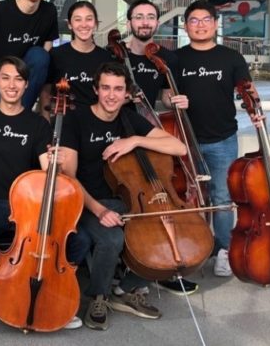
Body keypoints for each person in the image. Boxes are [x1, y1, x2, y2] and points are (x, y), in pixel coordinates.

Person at [0, 56, 83, 335]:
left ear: (26, 86)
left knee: (78, 238)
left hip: (28, 206)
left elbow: (46, 167)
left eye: (18, 79)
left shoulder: (37, 124)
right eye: (6, 78)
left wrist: (56, 164)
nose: (12, 85)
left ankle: (56, 295)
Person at [58, 62, 187, 331]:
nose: (111, 95)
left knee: (160, 230)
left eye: (118, 89)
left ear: (127, 93)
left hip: (125, 200)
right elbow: (68, 178)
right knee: (112, 238)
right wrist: (99, 211)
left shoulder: (129, 120)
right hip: (86, 201)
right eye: (105, 88)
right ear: (96, 89)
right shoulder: (76, 120)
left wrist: (135, 140)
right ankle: (100, 297)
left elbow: (178, 147)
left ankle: (126, 289)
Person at [122, 0, 198, 295]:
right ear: (129, 22)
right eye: (138, 17)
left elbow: (165, 97)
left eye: (150, 17)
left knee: (160, 196)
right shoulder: (115, 55)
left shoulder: (166, 58)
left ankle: (164, 262)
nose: (144, 22)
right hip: (119, 133)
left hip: (150, 131)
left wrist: (176, 100)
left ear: (157, 22)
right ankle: (130, 263)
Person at [176, 0, 252, 277]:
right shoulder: (176, 58)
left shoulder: (231, 58)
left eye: (205, 19)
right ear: (186, 26)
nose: (200, 25)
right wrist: (171, 99)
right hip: (185, 140)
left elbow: (246, 91)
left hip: (223, 139)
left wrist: (253, 106)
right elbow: (163, 93)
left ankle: (223, 250)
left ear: (215, 23)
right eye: (193, 20)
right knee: (189, 198)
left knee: (221, 198)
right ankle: (192, 248)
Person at [41, 0, 113, 115]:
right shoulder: (56, 54)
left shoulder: (106, 57)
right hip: (63, 120)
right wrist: (46, 120)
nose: (83, 25)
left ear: (95, 24)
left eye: (89, 19)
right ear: (70, 24)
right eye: (78, 19)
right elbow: (46, 90)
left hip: (96, 121)